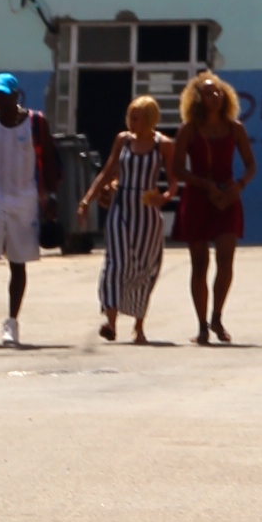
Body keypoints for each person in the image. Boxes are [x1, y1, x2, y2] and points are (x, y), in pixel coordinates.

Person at [163, 70, 256, 344]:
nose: (214, 96)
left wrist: (239, 185)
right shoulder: (188, 130)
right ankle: (202, 325)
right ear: (197, 98)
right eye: (207, 92)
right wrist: (204, 184)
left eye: (217, 91)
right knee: (199, 264)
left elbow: (251, 165)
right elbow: (177, 169)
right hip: (198, 199)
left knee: (226, 261)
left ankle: (217, 317)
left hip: (228, 198)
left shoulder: (235, 128)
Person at [0, 73, 54, 348]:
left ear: (16, 96)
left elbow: (50, 160)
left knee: (17, 262)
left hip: (24, 200)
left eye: (4, 95)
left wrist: (51, 196)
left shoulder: (35, 123)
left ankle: (12, 323)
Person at [78, 91, 168, 342]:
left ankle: (139, 325)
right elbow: (108, 171)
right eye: (130, 117)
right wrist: (86, 201)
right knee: (115, 263)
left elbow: (173, 180)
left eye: (136, 118)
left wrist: (165, 196)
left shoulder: (163, 144)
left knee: (145, 267)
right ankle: (111, 321)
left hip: (147, 213)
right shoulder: (123, 140)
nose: (131, 123)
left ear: (149, 119)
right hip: (121, 208)